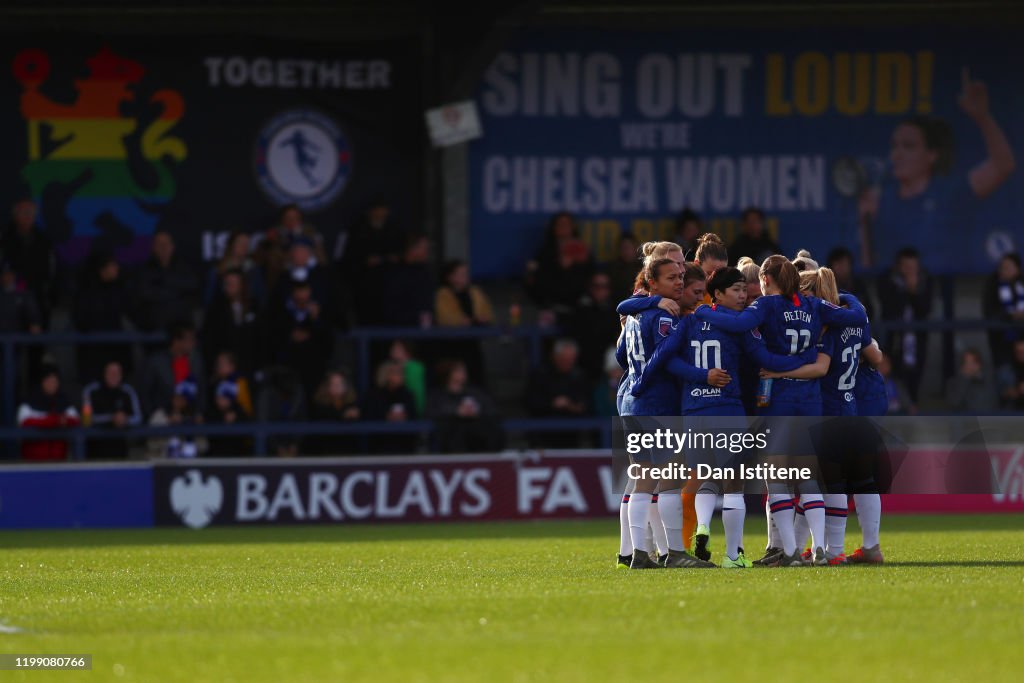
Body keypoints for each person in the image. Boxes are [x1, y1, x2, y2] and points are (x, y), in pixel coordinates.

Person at [632, 266, 816, 568]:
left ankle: (698, 528)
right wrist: (803, 360)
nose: (744, 296)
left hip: (693, 410)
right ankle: (733, 555)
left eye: (746, 290)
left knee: (699, 478)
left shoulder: (689, 320)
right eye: (738, 290)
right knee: (733, 484)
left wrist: (690, 377)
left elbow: (667, 357)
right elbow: (762, 358)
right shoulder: (740, 326)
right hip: (728, 409)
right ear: (717, 294)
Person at [693, 255, 867, 566]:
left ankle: (788, 551)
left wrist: (703, 309)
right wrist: (846, 297)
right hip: (810, 399)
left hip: (780, 397)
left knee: (778, 476)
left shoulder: (767, 305)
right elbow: (856, 318)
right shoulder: (814, 306)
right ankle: (819, 550)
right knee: (807, 476)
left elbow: (739, 323)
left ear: (767, 280)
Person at [615, 258, 717, 569]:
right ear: (652, 284)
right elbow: (668, 359)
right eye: (671, 278)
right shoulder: (663, 315)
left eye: (680, 277)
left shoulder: (634, 315)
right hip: (658, 404)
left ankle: (637, 555)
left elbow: (622, 355)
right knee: (669, 481)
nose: (678, 283)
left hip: (635, 404)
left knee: (643, 481)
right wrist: (703, 376)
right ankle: (675, 553)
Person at [858, 68, 1016, 270]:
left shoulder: (950, 192)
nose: (897, 154)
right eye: (894, 146)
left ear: (931, 155)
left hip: (945, 288)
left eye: (908, 146)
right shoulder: (882, 200)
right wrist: (865, 224)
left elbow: (1003, 165)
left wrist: (982, 117)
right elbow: (869, 264)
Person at [877, 247, 933, 404]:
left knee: (915, 378)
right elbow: (889, 308)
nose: (910, 271)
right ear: (899, 266)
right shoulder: (888, 279)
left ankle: (913, 407)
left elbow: (925, 309)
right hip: (894, 340)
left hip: (917, 340)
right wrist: (905, 289)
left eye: (913, 267)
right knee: (895, 379)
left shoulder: (924, 280)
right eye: (906, 267)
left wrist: (914, 290)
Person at [72, 252, 132, 384]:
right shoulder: (86, 292)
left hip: (115, 351)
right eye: (113, 265)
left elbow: (132, 313)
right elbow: (81, 322)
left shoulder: (119, 289)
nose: (116, 268)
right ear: (102, 269)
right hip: (92, 354)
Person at [267, 278, 332, 400]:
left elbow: (327, 340)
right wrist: (290, 335)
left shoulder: (319, 311)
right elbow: (274, 335)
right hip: (288, 367)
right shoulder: (282, 311)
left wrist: (316, 320)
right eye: (299, 291)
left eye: (305, 291)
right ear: (293, 293)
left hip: (313, 367)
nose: (302, 295)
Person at [524, 212, 593, 322]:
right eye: (560, 225)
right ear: (554, 228)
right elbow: (537, 281)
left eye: (567, 224)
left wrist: (572, 267)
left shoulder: (582, 249)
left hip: (578, 304)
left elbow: (589, 276)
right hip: (552, 304)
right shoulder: (546, 252)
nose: (564, 228)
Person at [434, 259, 494, 383]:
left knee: (476, 380)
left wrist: (480, 319)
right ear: (450, 277)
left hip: (472, 346)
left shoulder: (475, 292)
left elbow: (487, 314)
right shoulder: (443, 294)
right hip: (451, 347)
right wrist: (472, 321)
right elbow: (448, 319)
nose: (465, 277)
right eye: (460, 274)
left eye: (466, 273)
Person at [525, 339, 593, 448]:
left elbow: (585, 404)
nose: (568, 362)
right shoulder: (541, 375)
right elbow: (530, 401)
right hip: (544, 433)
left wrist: (570, 405)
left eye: (571, 359)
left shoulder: (579, 376)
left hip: (573, 435)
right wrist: (552, 403)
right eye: (564, 359)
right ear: (555, 357)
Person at [427, 360, 503, 453]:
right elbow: (431, 412)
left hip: (477, 440)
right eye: (459, 370)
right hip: (449, 442)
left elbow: (493, 410)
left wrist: (477, 411)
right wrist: (456, 411)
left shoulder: (476, 393)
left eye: (464, 370)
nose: (464, 373)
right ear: (448, 373)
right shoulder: (437, 395)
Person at [132, 230, 200, 334]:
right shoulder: (145, 269)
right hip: (154, 323)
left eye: (166, 244)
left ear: (172, 246)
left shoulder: (183, 267)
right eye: (159, 244)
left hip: (181, 322)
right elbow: (145, 293)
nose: (163, 247)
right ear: (153, 248)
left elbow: (192, 285)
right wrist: (175, 292)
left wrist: (163, 281)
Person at [2, 199, 56, 329]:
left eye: (31, 212)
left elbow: (52, 269)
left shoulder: (44, 240)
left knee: (37, 336)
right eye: (24, 212)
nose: (28, 216)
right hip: (10, 297)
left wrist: (52, 293)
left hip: (38, 294)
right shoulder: (4, 239)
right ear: (15, 215)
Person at [201, 268, 264, 377]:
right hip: (225, 367)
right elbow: (209, 338)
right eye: (226, 284)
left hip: (249, 365)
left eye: (232, 284)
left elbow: (261, 337)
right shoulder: (216, 309)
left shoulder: (254, 307)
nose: (228, 287)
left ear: (242, 285)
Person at [139, 322, 205, 419]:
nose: (193, 343)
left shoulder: (196, 361)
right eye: (189, 339)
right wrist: (165, 410)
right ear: (176, 341)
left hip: (190, 417)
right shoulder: (156, 362)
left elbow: (202, 392)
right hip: (162, 417)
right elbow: (145, 394)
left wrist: (198, 413)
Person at [83, 360, 142, 459]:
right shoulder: (91, 390)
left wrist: (125, 419)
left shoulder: (127, 391)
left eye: (117, 373)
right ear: (104, 374)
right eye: (110, 372)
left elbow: (138, 417)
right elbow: (86, 420)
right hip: (96, 447)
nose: (114, 375)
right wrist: (111, 418)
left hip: (120, 447)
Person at [18, 365, 79, 461]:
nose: (51, 384)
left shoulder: (64, 401)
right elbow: (25, 422)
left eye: (54, 381)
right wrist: (56, 421)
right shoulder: (29, 402)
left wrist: (55, 421)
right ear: (42, 382)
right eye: (48, 381)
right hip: (33, 463)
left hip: (59, 462)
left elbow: (75, 420)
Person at [570, 272, 621, 384]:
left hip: (610, 359)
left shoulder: (616, 309)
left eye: (604, 286)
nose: (600, 290)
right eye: (596, 286)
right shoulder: (581, 309)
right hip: (587, 363)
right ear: (590, 288)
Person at [204, 352, 254, 456]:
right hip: (216, 440)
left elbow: (247, 412)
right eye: (217, 364)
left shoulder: (240, 383)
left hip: (237, 442)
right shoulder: (213, 384)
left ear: (232, 366)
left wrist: (235, 414)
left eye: (222, 363)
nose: (218, 367)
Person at [366, 360, 419, 454]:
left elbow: (414, 416)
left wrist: (405, 416)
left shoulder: (408, 395)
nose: (400, 376)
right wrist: (386, 416)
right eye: (396, 373)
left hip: (404, 445)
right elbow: (370, 415)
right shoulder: (375, 395)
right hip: (381, 445)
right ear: (387, 375)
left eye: (401, 373)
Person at [203, 231, 266, 308]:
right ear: (231, 245)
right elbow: (208, 300)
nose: (244, 246)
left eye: (247, 243)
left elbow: (261, 298)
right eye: (240, 243)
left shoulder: (254, 270)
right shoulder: (217, 271)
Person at [982, 252, 1024, 367]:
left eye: (1008, 267)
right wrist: (1011, 315)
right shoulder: (992, 285)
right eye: (1002, 267)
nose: (1003, 270)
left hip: (1021, 341)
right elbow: (989, 312)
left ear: (1018, 269)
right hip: (1001, 340)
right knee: (1005, 374)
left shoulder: (1022, 284)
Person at [254, 366, 306, 457]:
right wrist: (277, 447)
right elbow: (263, 422)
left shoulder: (297, 392)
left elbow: (301, 419)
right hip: (271, 448)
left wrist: (294, 444)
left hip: (293, 446)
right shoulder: (267, 395)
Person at [307, 369, 361, 455]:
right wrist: (342, 415)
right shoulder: (319, 404)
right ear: (327, 386)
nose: (336, 387)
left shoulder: (352, 404)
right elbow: (321, 417)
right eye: (333, 384)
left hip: (348, 452)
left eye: (339, 384)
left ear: (346, 386)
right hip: (324, 451)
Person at [946, 348, 998, 413]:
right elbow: (954, 402)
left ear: (979, 364)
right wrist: (965, 378)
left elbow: (995, 401)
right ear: (962, 365)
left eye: (973, 362)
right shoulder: (953, 382)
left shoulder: (990, 379)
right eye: (967, 363)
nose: (970, 366)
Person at [607, 232, 640, 299]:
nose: (626, 251)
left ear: (636, 247)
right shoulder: (612, 268)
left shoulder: (644, 267)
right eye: (622, 248)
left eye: (628, 247)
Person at [996, 338, 1024, 411]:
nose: (1022, 354)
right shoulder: (1005, 370)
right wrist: (1012, 392)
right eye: (1019, 351)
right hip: (1012, 411)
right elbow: (996, 392)